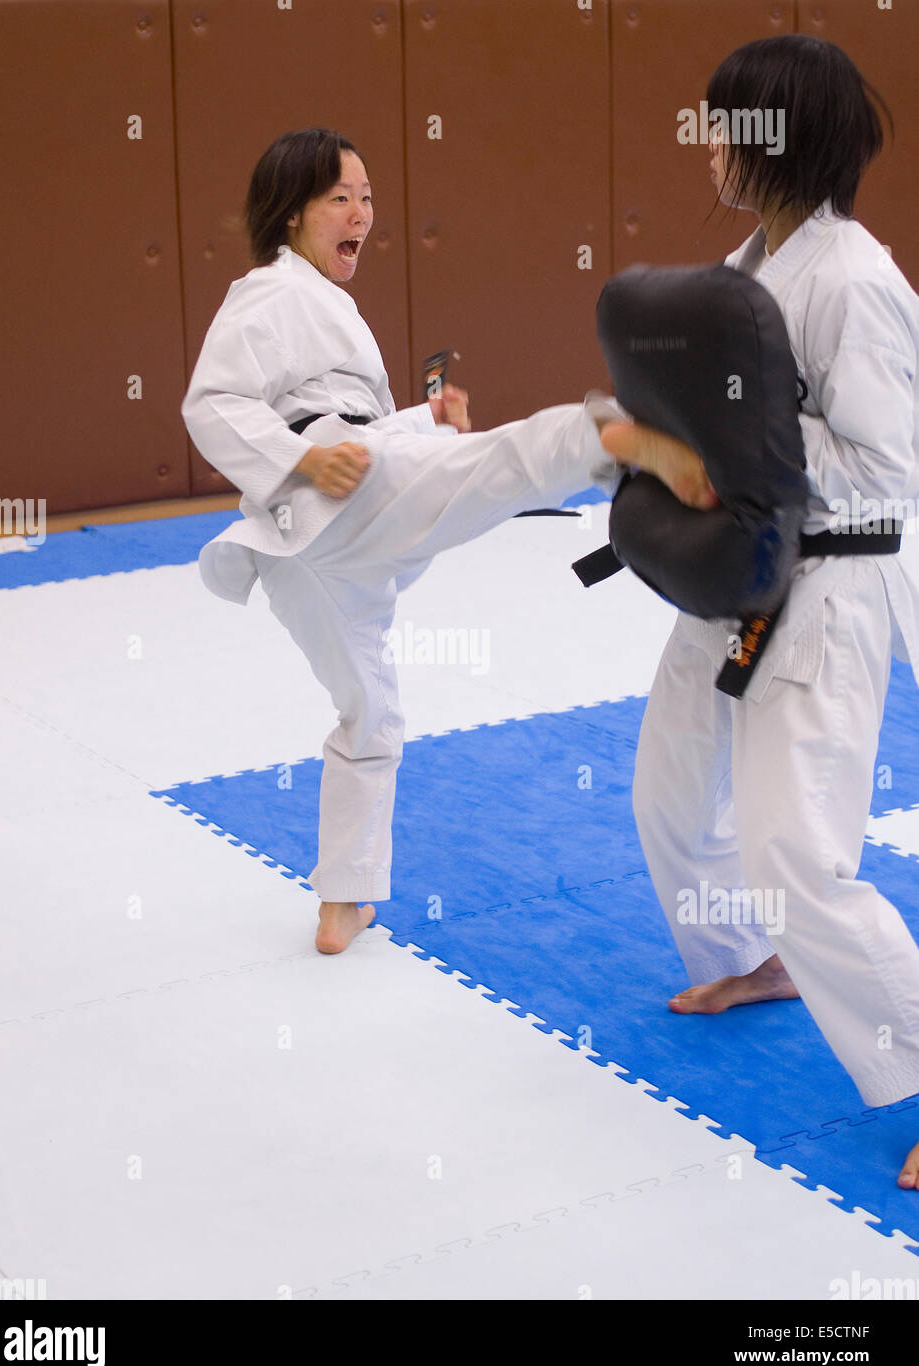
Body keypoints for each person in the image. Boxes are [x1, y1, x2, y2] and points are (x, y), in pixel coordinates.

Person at [181, 129, 709, 959]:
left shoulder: (317, 302)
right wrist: (309, 458)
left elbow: (339, 424)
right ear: (289, 214)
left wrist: (420, 419)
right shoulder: (269, 293)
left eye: (367, 198)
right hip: (331, 495)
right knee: (492, 468)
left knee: (370, 714)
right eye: (339, 199)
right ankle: (599, 435)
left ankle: (342, 902)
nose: (362, 214)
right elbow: (213, 405)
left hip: (305, 549)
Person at [627, 36, 919, 1190]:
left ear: (771, 139)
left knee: (794, 847)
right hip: (734, 568)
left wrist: (739, 426)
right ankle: (751, 959)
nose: (701, 144)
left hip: (829, 585)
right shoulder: (751, 263)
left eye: (718, 125)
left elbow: (888, 468)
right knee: (666, 790)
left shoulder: (853, 282)